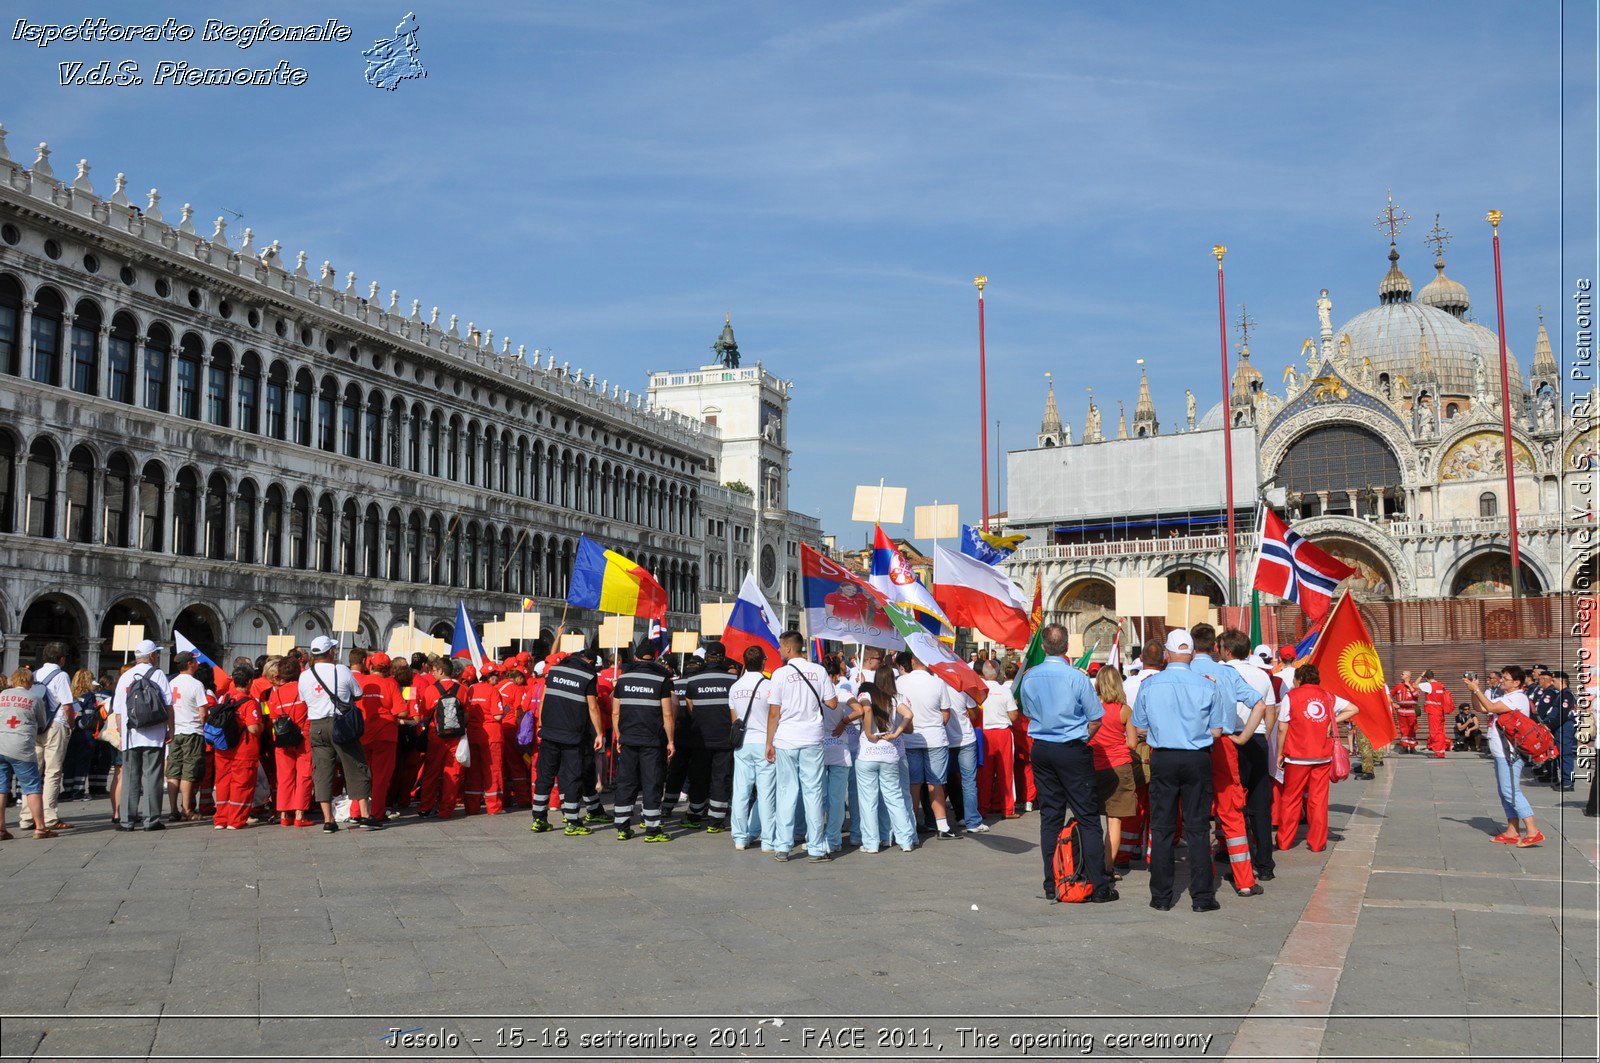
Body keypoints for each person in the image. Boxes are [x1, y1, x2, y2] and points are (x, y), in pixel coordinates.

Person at [1130, 628, 1232, 912]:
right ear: (1191, 655)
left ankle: (1161, 897)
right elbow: (1216, 730)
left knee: (1162, 827)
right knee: (1198, 828)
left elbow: (1139, 727)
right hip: (1196, 758)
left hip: (1163, 757)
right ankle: (1201, 897)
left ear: (1168, 653)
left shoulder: (1150, 685)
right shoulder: (1207, 685)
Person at [1016, 623, 1116, 904]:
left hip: (1043, 749)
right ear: (1067, 648)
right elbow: (1096, 717)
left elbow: (1027, 711)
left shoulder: (1031, 677)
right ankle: (1099, 886)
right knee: (1087, 816)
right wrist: (1081, 737)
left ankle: (1052, 881)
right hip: (1071, 748)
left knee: (1050, 816)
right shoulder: (1077, 678)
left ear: (1044, 647)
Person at [1188, 624, 1266, 898]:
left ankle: (1203, 874)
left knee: (1194, 812)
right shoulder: (1226, 673)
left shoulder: (1182, 672)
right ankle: (1244, 880)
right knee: (1231, 812)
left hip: (1190, 745)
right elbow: (1260, 704)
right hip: (1223, 745)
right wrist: (1244, 737)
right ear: (1214, 647)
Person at [764, 630, 836, 862]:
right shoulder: (819, 670)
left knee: (787, 790)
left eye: (779, 647)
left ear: (787, 648)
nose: (778, 651)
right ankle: (815, 847)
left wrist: (769, 742)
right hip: (812, 737)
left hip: (786, 738)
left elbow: (774, 712)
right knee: (814, 792)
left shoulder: (780, 674)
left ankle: (783, 846)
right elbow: (832, 703)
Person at [299, 636, 379, 833]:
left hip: (316, 725)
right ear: (330, 652)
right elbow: (357, 693)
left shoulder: (305, 676)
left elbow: (304, 700)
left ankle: (328, 820)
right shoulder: (341, 670)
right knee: (356, 766)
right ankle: (365, 815)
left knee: (322, 772)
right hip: (341, 724)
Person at [1275, 665, 1358, 852]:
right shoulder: (1328, 696)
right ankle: (1318, 843)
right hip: (1322, 756)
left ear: (1299, 679)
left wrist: (1280, 753)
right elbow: (1353, 708)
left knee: (1291, 799)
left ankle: (1285, 841)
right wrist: (1331, 720)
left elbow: (1282, 728)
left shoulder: (1291, 696)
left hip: (1297, 756)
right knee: (1318, 800)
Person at [1221, 629, 1279, 882]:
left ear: (1228, 650)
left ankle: (1232, 853)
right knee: (1259, 803)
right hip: (1257, 738)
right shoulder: (1262, 676)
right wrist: (1263, 737)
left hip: (1230, 738)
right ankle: (1265, 863)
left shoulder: (1222, 673)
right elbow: (1271, 710)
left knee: (1229, 802)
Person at [530, 647, 606, 835]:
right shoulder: (588, 676)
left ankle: (539, 819)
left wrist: (541, 724)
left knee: (545, 776)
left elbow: (543, 699)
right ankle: (572, 821)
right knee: (572, 777)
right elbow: (593, 707)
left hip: (549, 732)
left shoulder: (554, 671)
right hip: (572, 735)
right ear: (589, 662)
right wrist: (599, 733)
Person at [1465, 666, 1543, 847]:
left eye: (1505, 679)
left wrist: (1476, 690)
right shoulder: (1506, 697)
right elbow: (1482, 707)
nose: (1502, 681)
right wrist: (1473, 689)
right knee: (1504, 792)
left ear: (1516, 682)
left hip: (1511, 753)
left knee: (1511, 791)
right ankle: (1512, 830)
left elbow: (1491, 706)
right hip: (1501, 753)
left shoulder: (1518, 697)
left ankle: (1532, 830)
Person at [610, 640, 676, 842]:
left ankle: (622, 827)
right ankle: (652, 830)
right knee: (652, 782)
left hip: (628, 739)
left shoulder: (623, 679)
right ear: (654, 658)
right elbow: (667, 714)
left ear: (636, 657)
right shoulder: (661, 679)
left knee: (626, 782)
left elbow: (615, 712)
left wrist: (619, 737)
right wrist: (671, 741)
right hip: (652, 741)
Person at [852, 673, 917, 853]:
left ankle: (871, 843)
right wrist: (897, 733)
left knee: (868, 801)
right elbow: (909, 714)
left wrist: (868, 733)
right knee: (895, 798)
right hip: (889, 754)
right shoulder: (892, 699)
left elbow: (866, 709)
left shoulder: (864, 695)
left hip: (868, 755)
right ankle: (906, 840)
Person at [113, 640, 173, 833]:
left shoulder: (125, 676)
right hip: (154, 734)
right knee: (152, 776)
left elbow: (118, 710)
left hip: (131, 733)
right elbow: (168, 704)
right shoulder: (158, 674)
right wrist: (170, 728)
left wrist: (122, 732)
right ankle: (151, 820)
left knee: (130, 776)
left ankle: (127, 821)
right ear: (152, 656)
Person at [897, 653, 956, 839]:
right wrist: (935, 725)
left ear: (912, 662)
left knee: (913, 784)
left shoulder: (900, 682)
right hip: (935, 738)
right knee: (936, 782)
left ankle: (911, 824)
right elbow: (946, 713)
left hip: (910, 738)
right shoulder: (938, 682)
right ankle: (942, 826)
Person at [682, 642, 739, 833]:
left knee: (698, 776)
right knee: (721, 778)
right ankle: (716, 820)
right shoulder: (733, 681)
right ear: (723, 657)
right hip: (725, 738)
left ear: (706, 658)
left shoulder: (694, 680)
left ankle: (694, 814)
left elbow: (690, 710)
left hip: (700, 738)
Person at [18, 642, 75, 833]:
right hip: (56, 725)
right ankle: (49, 816)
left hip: (36, 727)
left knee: (33, 772)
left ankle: (27, 817)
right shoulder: (61, 675)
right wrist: (71, 725)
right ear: (61, 658)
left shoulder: (34, 674)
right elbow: (67, 705)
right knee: (52, 772)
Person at [1089, 665, 1137, 881]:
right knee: (1114, 820)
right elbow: (1133, 743)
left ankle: (1092, 863)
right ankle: (1108, 867)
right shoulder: (1124, 710)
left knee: (1091, 819)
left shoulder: (1092, 709)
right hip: (1119, 767)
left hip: (1094, 767)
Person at [729, 646, 774, 852]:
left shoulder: (735, 687)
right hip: (765, 741)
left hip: (743, 742)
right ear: (763, 662)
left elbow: (735, 720)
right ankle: (767, 839)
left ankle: (740, 837)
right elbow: (775, 717)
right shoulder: (768, 686)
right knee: (766, 793)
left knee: (741, 791)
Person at [0, 667, 52, 839]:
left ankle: (1, 828)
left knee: (1, 788)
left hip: (1, 744)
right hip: (21, 747)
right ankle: (40, 828)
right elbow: (42, 723)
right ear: (30, 682)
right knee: (32, 787)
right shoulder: (34, 699)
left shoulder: (1, 696)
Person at [211, 665, 264, 829]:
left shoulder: (224, 698)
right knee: (242, 785)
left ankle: (221, 819)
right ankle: (236, 820)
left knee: (223, 783)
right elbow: (253, 728)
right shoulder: (250, 703)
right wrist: (262, 726)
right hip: (243, 750)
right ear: (249, 682)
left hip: (223, 748)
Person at [354, 651, 403, 821]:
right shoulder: (390, 685)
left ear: (369, 665)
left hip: (363, 733)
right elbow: (402, 710)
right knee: (381, 777)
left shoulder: (361, 683)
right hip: (385, 734)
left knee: (362, 774)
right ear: (388, 668)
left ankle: (356, 812)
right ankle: (376, 812)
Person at [268, 659, 314, 827]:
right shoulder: (303, 690)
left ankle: (284, 815)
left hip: (282, 738)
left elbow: (273, 719)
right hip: (303, 736)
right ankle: (299, 815)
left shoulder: (275, 694)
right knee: (304, 775)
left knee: (284, 777)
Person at [164, 651, 208, 823]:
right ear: (189, 663)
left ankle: (173, 809)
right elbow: (203, 712)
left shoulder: (171, 683)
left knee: (174, 771)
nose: (197, 664)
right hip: (192, 731)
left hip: (175, 732)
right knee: (189, 771)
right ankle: (187, 809)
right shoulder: (196, 685)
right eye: (195, 661)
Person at [977, 661, 1019, 818]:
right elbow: (1014, 715)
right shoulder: (1004, 691)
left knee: (984, 774)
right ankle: (1007, 809)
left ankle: (982, 808)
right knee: (1006, 772)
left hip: (985, 733)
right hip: (1002, 733)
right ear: (998, 673)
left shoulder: (979, 690)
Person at [944, 680, 985, 834]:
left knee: (938, 782)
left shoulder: (936, 686)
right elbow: (975, 713)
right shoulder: (961, 689)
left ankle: (938, 822)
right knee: (968, 781)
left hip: (943, 740)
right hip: (965, 739)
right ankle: (972, 822)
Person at [1549, 672, 1577, 790]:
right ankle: (1564, 780)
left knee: (1565, 755)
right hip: (1560, 728)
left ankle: (1568, 783)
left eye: (1554, 681)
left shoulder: (1567, 695)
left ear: (1561, 681)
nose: (1552, 683)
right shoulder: (1561, 694)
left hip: (1564, 727)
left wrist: (1551, 726)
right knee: (1560, 755)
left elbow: (1563, 714)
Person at [1417, 670, 1450, 759]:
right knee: (1441, 732)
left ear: (1426, 678)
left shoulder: (1428, 685)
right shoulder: (1440, 685)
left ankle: (1438, 752)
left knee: (1435, 732)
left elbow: (1414, 685)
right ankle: (1441, 751)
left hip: (1433, 712)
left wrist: (1421, 675)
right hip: (1441, 711)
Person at [1391, 669, 1420, 753]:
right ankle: (1404, 747)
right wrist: (1393, 704)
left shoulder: (1414, 685)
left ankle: (1412, 747)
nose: (1401, 675)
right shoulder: (1398, 686)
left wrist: (1409, 686)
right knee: (1403, 730)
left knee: (1412, 729)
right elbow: (1389, 695)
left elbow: (1416, 695)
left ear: (1408, 676)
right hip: (1401, 711)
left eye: (1402, 674)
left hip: (1411, 711)